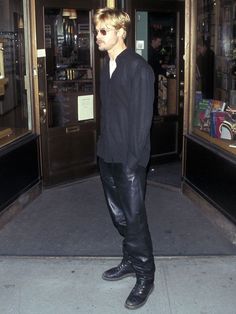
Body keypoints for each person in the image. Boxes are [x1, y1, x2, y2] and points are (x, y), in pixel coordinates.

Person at [93, 7, 155, 310]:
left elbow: (142, 122)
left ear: (120, 31)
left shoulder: (138, 69)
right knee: (119, 217)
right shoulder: (106, 67)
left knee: (134, 218)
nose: (97, 37)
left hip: (129, 160)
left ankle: (146, 275)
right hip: (107, 154)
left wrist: (133, 162)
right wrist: (101, 149)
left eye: (103, 31)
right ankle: (130, 260)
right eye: (96, 31)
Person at [148, 33, 166, 114]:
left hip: (153, 77)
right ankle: (155, 113)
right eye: (158, 41)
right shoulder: (151, 52)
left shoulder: (152, 51)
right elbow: (156, 67)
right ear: (153, 41)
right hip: (152, 78)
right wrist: (165, 71)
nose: (160, 44)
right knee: (153, 97)